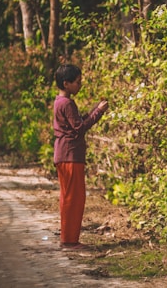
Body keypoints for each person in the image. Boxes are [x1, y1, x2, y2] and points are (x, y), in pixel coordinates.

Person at [53, 64, 108, 251]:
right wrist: (98, 112)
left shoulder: (59, 102)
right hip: (70, 155)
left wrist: (93, 110)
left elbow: (76, 122)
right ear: (66, 83)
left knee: (70, 196)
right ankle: (69, 241)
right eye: (77, 82)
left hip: (65, 154)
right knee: (73, 198)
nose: (80, 85)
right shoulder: (67, 103)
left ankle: (69, 238)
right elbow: (79, 128)